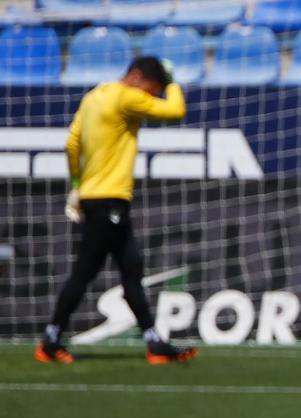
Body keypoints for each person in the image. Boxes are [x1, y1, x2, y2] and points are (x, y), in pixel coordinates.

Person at [37, 57, 196, 365]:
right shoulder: (125, 96)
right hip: (109, 200)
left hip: (99, 198)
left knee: (132, 270)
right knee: (85, 272)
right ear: (136, 77)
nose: (152, 97)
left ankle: (154, 343)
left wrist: (76, 185)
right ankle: (50, 340)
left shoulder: (94, 96)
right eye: (154, 88)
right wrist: (174, 82)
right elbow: (176, 111)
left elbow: (72, 144)